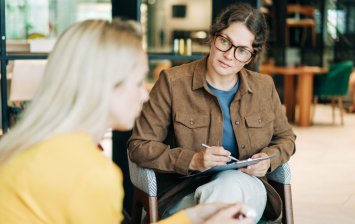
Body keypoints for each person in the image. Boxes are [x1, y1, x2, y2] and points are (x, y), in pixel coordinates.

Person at [0, 19, 254, 223]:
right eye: (136, 82)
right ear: (102, 87)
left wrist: (192, 217)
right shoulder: (92, 175)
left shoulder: (28, 146)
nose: (144, 94)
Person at [128, 3, 296, 223]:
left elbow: (286, 139)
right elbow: (139, 146)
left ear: (252, 56)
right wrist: (192, 160)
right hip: (183, 194)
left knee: (231, 186)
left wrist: (267, 161)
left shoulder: (264, 87)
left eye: (242, 50)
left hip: (247, 188)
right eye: (225, 41)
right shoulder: (173, 83)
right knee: (228, 209)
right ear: (213, 36)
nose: (229, 55)